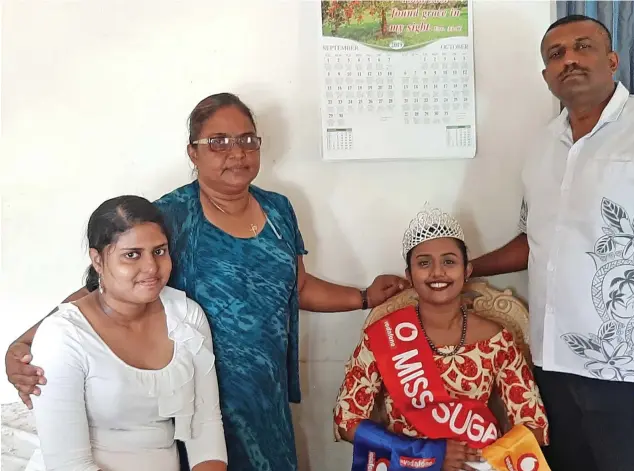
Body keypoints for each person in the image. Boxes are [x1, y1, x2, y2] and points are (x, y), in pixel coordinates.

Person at [5, 93, 406, 471]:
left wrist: (364, 296)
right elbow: (109, 286)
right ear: (192, 152)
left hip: (264, 397)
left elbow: (295, 287)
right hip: (192, 398)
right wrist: (26, 341)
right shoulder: (172, 215)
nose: (237, 152)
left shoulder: (279, 209)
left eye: (248, 140)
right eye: (218, 141)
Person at [470, 14, 634, 471]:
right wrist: (466, 269)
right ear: (546, 76)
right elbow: (532, 241)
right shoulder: (541, 147)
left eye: (583, 47)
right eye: (556, 54)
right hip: (552, 370)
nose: (569, 59)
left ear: (612, 60)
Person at [334, 206, 549, 471]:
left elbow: (533, 423)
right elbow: (347, 420)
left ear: (466, 270)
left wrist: (484, 463)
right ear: (410, 275)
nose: (438, 272)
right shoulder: (384, 336)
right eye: (424, 263)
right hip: (407, 464)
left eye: (449, 261)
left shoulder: (497, 340)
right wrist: (427, 456)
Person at [30, 195, 227, 471]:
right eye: (131, 255)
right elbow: (69, 464)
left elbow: (205, 425)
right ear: (97, 260)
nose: (151, 267)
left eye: (159, 251)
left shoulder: (185, 315)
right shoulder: (63, 335)